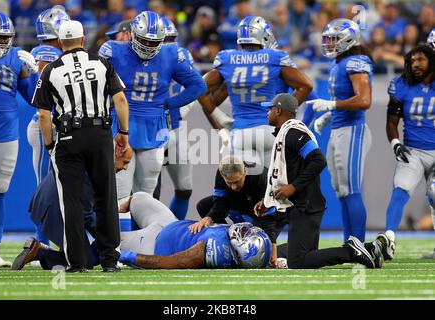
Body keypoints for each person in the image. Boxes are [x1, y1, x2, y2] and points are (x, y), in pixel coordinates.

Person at [31, 20, 129, 272]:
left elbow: (43, 115)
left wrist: (50, 143)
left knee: (71, 202)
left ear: (61, 43)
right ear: (83, 40)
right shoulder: (101, 63)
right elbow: (119, 98)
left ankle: (78, 263)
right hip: (99, 134)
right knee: (105, 198)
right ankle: (110, 260)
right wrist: (124, 132)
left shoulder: (51, 69)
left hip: (68, 137)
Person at [258, 93, 383, 269]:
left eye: (270, 109)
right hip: (303, 204)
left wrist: (294, 187)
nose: (268, 113)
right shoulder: (285, 132)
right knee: (306, 258)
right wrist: (268, 201)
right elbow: (281, 175)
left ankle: (350, 252)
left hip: (305, 205)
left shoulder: (294, 132)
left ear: (278, 110)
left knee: (298, 262)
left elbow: (318, 160)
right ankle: (368, 249)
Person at [98, 11, 206, 199]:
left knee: (143, 197)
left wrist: (168, 104)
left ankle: (138, 229)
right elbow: (198, 86)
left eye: (153, 42)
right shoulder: (114, 50)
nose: (148, 46)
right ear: (133, 34)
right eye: (144, 40)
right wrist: (167, 105)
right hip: (126, 126)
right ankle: (124, 230)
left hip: (145, 126)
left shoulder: (169, 53)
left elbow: (198, 85)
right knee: (121, 194)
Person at [13, 192, 272, 270]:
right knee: (136, 200)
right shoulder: (225, 250)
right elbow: (168, 262)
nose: (246, 229)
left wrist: (125, 256)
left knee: (137, 200)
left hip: (159, 233)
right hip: (160, 232)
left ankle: (44, 252)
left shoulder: (219, 246)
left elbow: (170, 261)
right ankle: (48, 251)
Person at [199, 15, 313, 172]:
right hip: (270, 131)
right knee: (273, 189)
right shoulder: (274, 57)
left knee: (243, 189)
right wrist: (283, 113)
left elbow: (198, 89)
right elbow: (306, 85)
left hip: (240, 133)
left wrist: (219, 120)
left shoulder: (229, 59)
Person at [306, 18, 373, 244]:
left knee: (352, 190)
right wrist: (329, 115)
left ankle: (359, 244)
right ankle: (349, 245)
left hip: (352, 130)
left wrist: (332, 106)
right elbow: (345, 99)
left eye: (333, 39)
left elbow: (364, 100)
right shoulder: (338, 64)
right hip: (339, 128)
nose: (329, 43)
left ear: (347, 40)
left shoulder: (356, 62)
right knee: (342, 192)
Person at [12, 146, 133, 271]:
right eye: (125, 162)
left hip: (48, 202)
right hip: (55, 210)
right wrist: (108, 236)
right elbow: (86, 214)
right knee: (82, 261)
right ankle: (39, 252)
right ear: (117, 153)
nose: (125, 167)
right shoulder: (96, 168)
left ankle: (57, 250)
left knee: (91, 246)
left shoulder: (93, 157)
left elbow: (90, 203)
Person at [0, 11, 38, 267]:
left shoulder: (17, 58)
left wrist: (34, 72)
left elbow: (33, 98)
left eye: (5, 37)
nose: (1, 42)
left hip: (7, 134)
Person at [375, 44, 435, 261]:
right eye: (412, 61)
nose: (415, 64)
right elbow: (391, 122)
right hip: (414, 151)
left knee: (434, 193)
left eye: (421, 60)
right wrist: (395, 144)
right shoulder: (401, 85)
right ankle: (389, 237)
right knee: (401, 189)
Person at [190, 155, 287, 264]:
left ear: (245, 172)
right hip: (243, 201)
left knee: (262, 251)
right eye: (229, 183)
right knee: (204, 206)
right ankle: (226, 239)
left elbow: (268, 220)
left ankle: (286, 250)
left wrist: (272, 251)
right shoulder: (221, 174)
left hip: (273, 213)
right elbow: (219, 203)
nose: (234, 187)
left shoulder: (260, 176)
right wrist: (209, 217)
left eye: (236, 181)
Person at [26, 5, 70, 246]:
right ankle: (40, 244)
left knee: (56, 187)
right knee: (44, 186)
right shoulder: (45, 52)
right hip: (45, 125)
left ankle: (54, 240)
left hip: (57, 125)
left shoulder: (54, 51)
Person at [157, 16, 195, 219]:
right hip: (152, 126)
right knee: (146, 191)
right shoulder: (143, 57)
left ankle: (170, 231)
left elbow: (195, 87)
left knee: (184, 188)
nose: (169, 45)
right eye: (165, 39)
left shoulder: (183, 55)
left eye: (172, 39)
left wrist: (180, 109)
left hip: (176, 127)